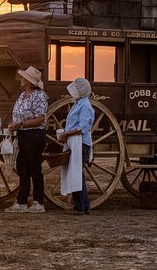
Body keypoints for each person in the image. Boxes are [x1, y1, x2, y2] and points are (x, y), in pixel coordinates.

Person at [5, 66, 48, 213]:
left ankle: (38, 202)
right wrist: (14, 124)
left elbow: (41, 118)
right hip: (22, 135)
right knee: (22, 168)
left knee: (35, 168)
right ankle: (21, 201)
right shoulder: (22, 95)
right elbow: (18, 114)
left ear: (29, 81)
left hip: (34, 135)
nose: (21, 79)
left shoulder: (39, 96)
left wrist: (21, 124)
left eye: (24, 78)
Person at [57, 77, 94, 215]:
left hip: (81, 142)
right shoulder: (78, 104)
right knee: (75, 172)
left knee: (77, 173)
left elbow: (82, 128)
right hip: (74, 141)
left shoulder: (85, 106)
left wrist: (66, 134)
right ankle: (82, 205)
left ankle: (82, 205)